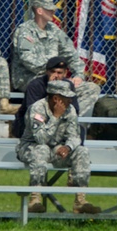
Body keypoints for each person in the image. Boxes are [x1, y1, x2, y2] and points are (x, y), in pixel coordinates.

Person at [18, 80, 100, 214]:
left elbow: (75, 136)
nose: (70, 101)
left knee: (81, 151)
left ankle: (80, 200)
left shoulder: (70, 109)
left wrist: (67, 147)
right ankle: (35, 199)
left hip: (56, 149)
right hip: (30, 148)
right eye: (67, 98)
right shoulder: (37, 108)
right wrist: (55, 117)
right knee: (42, 149)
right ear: (56, 98)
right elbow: (40, 139)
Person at [10, 0, 100, 116]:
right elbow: (28, 60)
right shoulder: (25, 30)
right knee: (60, 87)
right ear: (39, 10)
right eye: (49, 9)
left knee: (92, 88)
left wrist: (78, 75)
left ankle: (64, 118)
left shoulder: (54, 30)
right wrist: (52, 72)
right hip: (31, 78)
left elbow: (71, 55)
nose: (53, 12)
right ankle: (52, 117)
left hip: (55, 77)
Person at [12, 57, 82, 138]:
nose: (56, 76)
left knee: (79, 131)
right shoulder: (36, 85)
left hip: (58, 121)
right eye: (52, 72)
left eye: (59, 73)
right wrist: (51, 88)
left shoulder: (68, 86)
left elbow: (74, 110)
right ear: (47, 71)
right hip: (33, 123)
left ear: (65, 73)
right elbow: (33, 113)